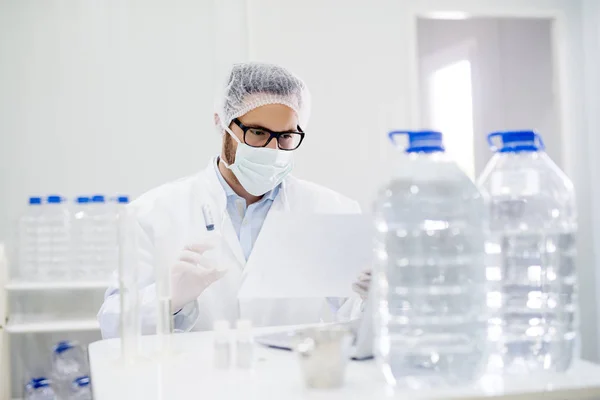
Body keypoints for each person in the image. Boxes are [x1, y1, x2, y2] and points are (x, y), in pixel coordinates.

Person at [98, 62, 370, 338]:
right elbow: (114, 326)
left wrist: (376, 298)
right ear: (222, 124)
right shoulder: (151, 213)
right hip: (195, 378)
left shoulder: (332, 211)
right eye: (258, 133)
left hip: (292, 377)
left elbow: (358, 318)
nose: (273, 150)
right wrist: (168, 298)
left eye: (286, 136)